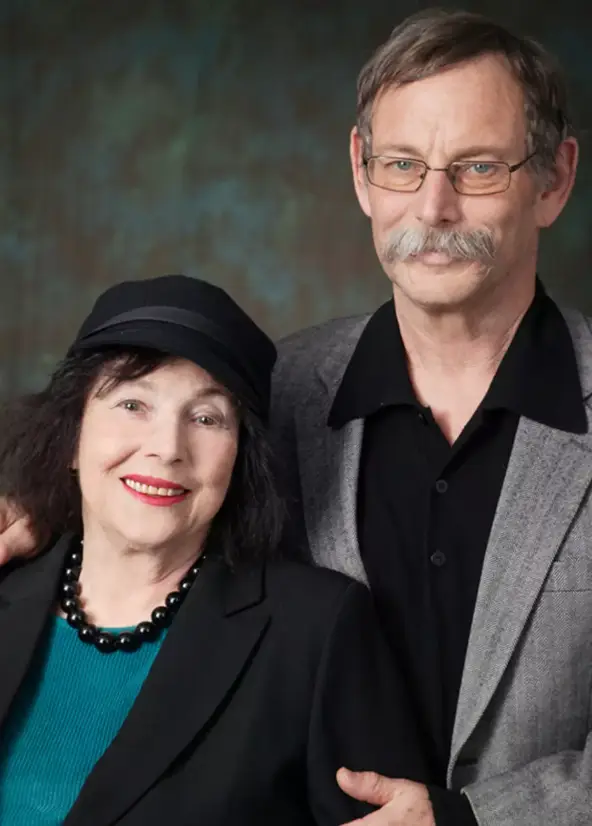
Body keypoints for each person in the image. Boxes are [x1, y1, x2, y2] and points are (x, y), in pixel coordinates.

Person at [1, 8, 590, 826]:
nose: (435, 207)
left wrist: (472, 818)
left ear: (555, 180)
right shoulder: (272, 394)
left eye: (479, 168)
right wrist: (40, 516)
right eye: (401, 164)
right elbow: (151, 499)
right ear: (360, 171)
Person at [0, 274, 427, 825]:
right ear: (71, 437)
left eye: (206, 418)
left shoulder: (316, 631)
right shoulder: (9, 582)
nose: (167, 449)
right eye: (133, 404)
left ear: (240, 460)